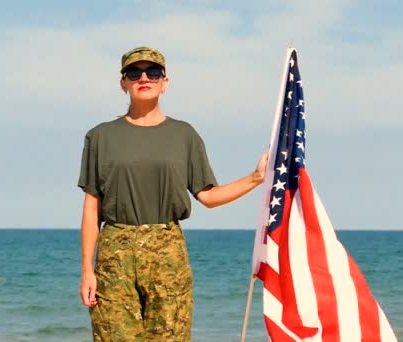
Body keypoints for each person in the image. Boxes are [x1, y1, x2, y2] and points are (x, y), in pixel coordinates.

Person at [77, 46, 268, 341]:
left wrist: (256, 178)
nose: (144, 78)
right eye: (134, 72)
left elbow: (208, 196)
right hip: (114, 253)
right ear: (123, 83)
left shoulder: (184, 135)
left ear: (164, 83)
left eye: (153, 72)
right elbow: (92, 209)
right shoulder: (100, 137)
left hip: (167, 252)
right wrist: (87, 271)